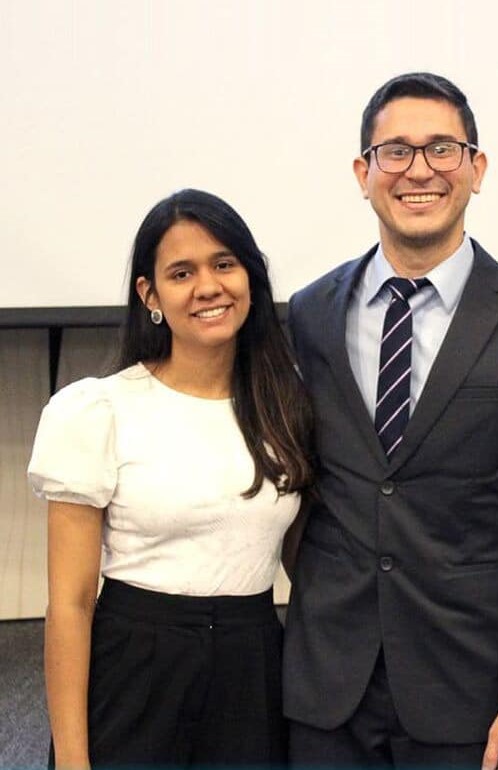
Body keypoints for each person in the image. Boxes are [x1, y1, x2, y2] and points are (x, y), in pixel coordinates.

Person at [281, 72, 498, 769]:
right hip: (327, 684)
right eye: (395, 151)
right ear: (364, 173)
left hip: (467, 689)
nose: (419, 170)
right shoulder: (310, 314)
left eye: (443, 149)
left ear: (477, 169)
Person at [28, 189, 314, 768]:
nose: (208, 286)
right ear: (150, 294)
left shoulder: (288, 406)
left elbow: (308, 563)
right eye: (181, 272)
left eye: (224, 264)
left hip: (253, 666)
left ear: (250, 279)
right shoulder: (98, 410)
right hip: (135, 667)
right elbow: (72, 605)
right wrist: (73, 761)